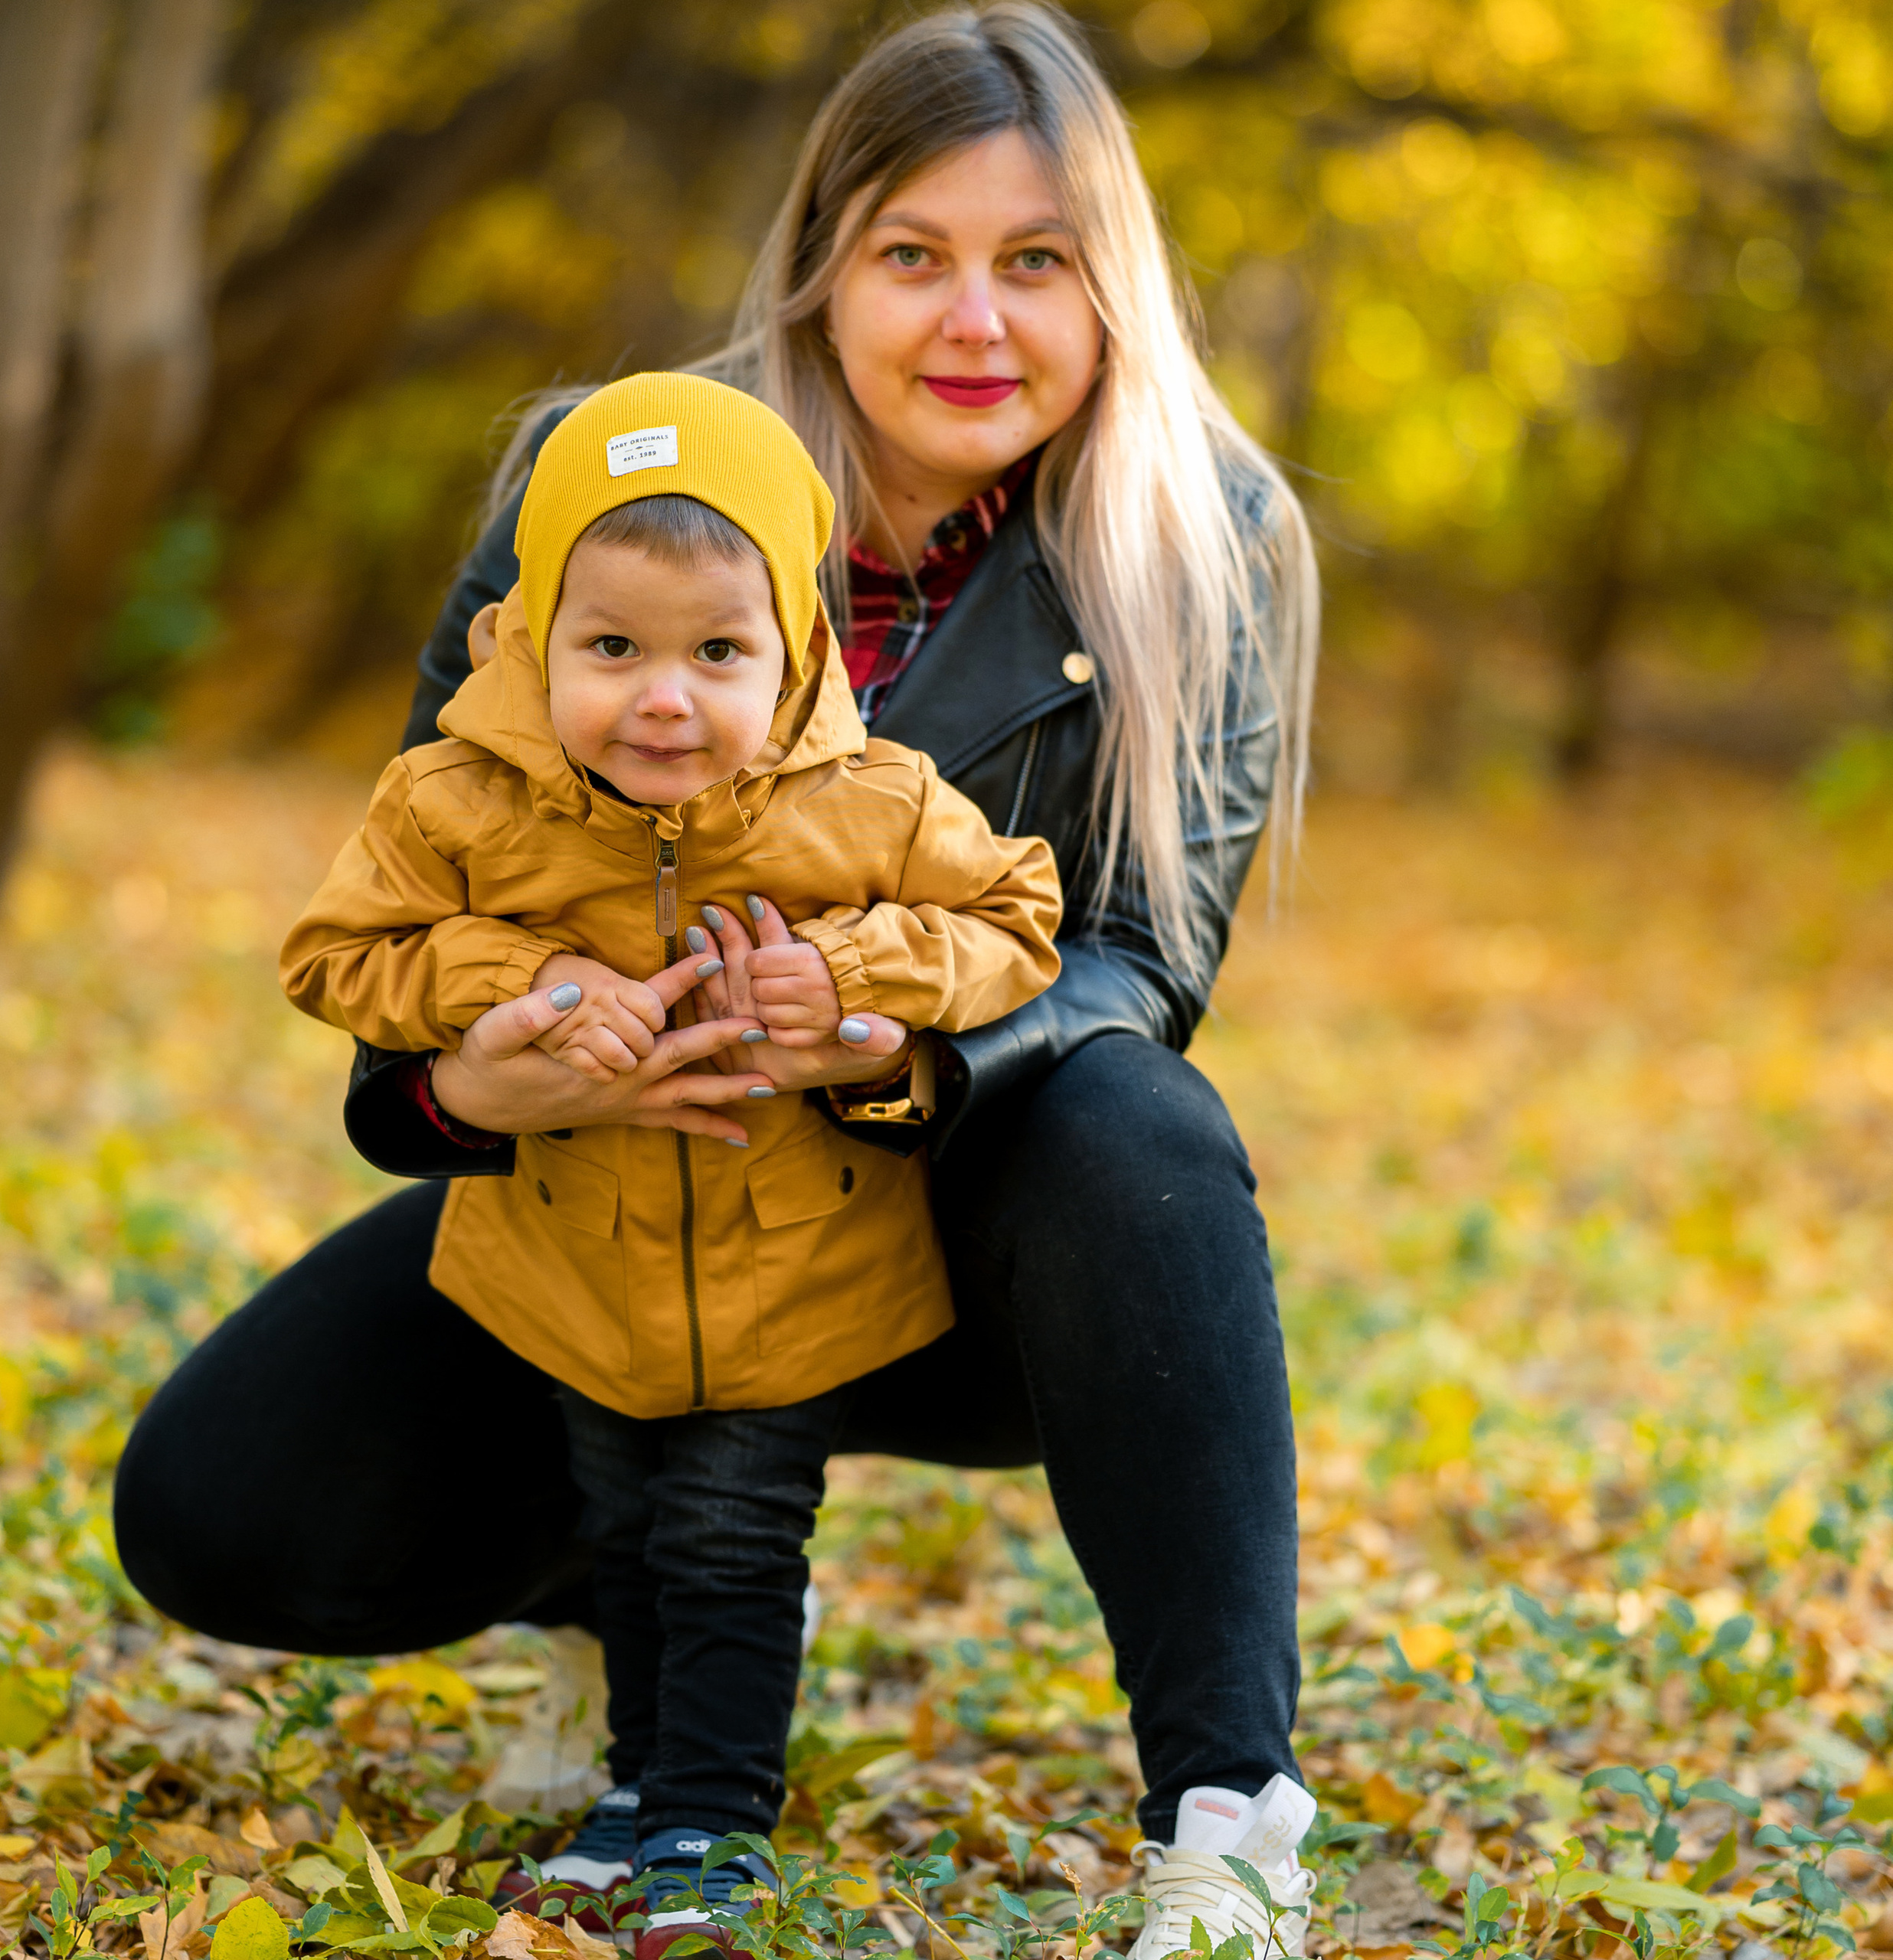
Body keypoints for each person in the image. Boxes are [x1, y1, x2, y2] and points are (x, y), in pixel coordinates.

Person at [114, 6, 1322, 1957]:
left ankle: (1223, 1803)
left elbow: (1135, 964)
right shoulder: (607, 474)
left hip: (953, 1227)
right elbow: (425, 863)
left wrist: (886, 1050)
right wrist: (469, 1091)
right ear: (820, 260)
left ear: (1112, 285)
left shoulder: (1209, 530)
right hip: (607, 1192)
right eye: (911, 254)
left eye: (1037, 262)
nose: (973, 322)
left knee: (1139, 1118)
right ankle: (624, 1592)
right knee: (216, 1506)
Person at [276, 371, 1061, 1955]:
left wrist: (854, 978)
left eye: (717, 653)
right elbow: (338, 954)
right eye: (612, 647)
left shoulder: (871, 800)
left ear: (791, 651)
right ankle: (639, 1792)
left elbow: (1019, 916)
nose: (663, 698)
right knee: (619, 1520)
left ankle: (709, 1809)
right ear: (531, 633)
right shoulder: (454, 800)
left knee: (726, 1525)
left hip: (794, 1256)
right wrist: (515, 986)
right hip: (574, 1250)